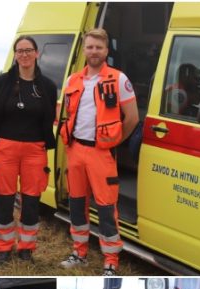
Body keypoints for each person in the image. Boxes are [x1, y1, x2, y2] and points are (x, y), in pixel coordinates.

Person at [58, 28, 139, 276]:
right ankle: (79, 252)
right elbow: (67, 113)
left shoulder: (118, 79)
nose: (94, 51)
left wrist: (112, 142)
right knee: (76, 204)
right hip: (75, 150)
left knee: (105, 208)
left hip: (101, 153)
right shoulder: (73, 80)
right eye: (90, 47)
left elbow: (132, 118)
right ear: (84, 49)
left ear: (106, 50)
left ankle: (111, 259)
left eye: (98, 47)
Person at [0, 35, 58, 266]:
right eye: (20, 50)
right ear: (15, 54)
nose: (24, 54)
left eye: (28, 50)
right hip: (6, 148)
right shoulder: (1, 82)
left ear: (36, 53)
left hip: (35, 149)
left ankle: (26, 248)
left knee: (32, 201)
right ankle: (2, 249)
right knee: (3, 199)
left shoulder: (47, 86)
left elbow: (49, 116)